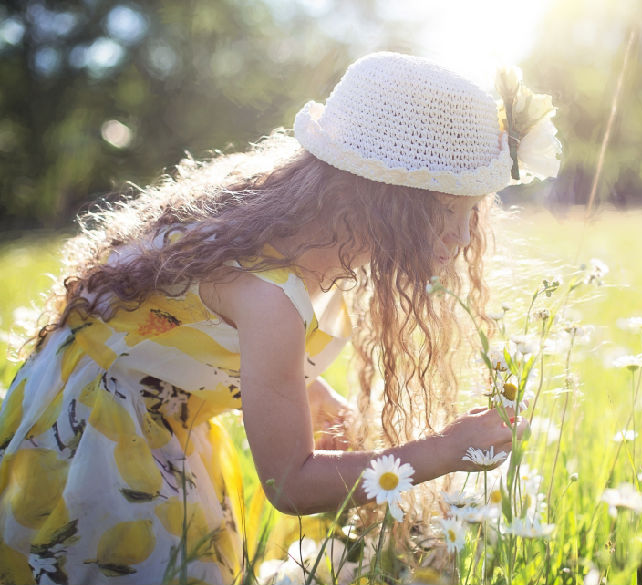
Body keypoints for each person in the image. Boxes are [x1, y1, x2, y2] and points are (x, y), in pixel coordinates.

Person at [0, 52, 543, 584]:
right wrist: (443, 451)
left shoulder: (294, 229)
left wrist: (310, 393)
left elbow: (189, 333)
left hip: (142, 405)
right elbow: (291, 486)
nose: (467, 235)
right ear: (385, 201)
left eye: (475, 210)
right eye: (451, 210)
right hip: (98, 437)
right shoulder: (270, 293)